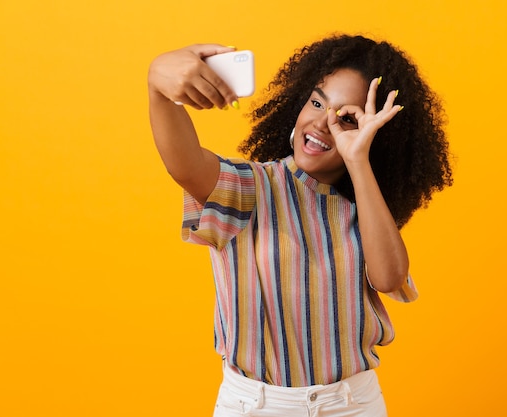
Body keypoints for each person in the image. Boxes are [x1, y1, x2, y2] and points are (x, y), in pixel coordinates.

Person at [148, 33, 452, 416]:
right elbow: (185, 164)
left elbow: (390, 278)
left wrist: (357, 160)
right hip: (256, 406)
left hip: (352, 404)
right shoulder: (250, 187)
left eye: (346, 117)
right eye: (316, 102)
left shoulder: (362, 208)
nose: (323, 122)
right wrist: (158, 86)